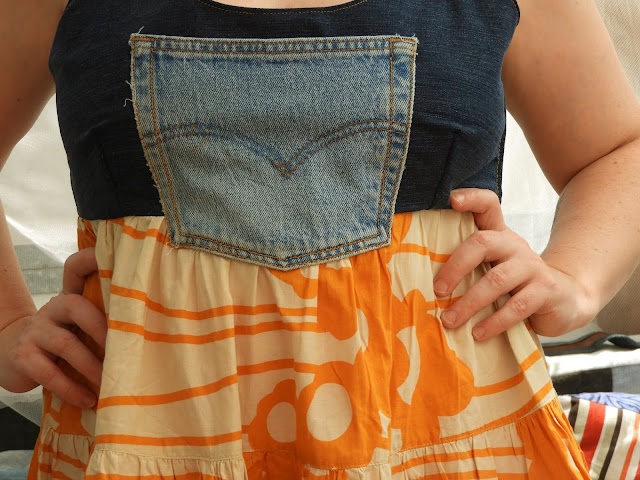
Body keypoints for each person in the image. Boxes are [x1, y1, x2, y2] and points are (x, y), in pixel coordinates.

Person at [1, 0, 639, 478]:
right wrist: (6, 328)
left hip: (446, 439)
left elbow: (617, 151)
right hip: (148, 441)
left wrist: (575, 281)